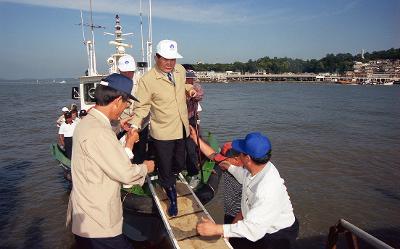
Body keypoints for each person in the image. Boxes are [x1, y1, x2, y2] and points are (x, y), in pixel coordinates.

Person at [67, 73, 155, 249]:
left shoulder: (86, 123)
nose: (125, 108)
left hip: (84, 217)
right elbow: (126, 174)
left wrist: (117, 126)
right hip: (99, 224)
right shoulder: (100, 134)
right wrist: (146, 167)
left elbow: (101, 139)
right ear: (117, 101)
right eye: (126, 103)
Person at [122, 40, 197, 217]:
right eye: (165, 59)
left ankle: (166, 173)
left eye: (173, 59)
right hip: (162, 132)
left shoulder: (180, 70)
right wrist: (134, 126)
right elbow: (142, 107)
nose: (170, 63)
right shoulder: (147, 80)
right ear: (157, 57)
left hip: (182, 128)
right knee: (166, 167)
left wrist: (189, 89)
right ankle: (172, 198)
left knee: (179, 163)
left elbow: (182, 85)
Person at [195, 132, 299, 249]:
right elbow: (244, 176)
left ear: (248, 158)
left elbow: (253, 229)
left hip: (278, 234)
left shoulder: (267, 190)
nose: (238, 155)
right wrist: (229, 167)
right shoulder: (260, 168)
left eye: (241, 153)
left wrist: (216, 229)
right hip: (261, 224)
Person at [189, 127, 243, 223]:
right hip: (231, 212)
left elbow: (247, 213)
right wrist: (195, 137)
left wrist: (224, 231)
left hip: (245, 219)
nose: (223, 159)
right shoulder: (232, 165)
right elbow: (214, 155)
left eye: (226, 157)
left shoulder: (253, 178)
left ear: (239, 159)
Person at [118, 54, 150, 164]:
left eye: (130, 71)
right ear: (119, 70)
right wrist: (120, 122)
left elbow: (147, 104)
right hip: (122, 126)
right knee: (121, 155)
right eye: (124, 72)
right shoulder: (113, 83)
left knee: (139, 155)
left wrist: (136, 124)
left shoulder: (143, 82)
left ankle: (138, 177)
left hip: (141, 125)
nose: (128, 74)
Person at [183, 66, 205, 188]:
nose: (189, 81)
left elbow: (199, 95)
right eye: (187, 78)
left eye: (191, 78)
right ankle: (178, 169)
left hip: (191, 119)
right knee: (179, 146)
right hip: (176, 120)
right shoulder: (176, 85)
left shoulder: (196, 87)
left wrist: (192, 93)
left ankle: (194, 174)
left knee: (191, 147)